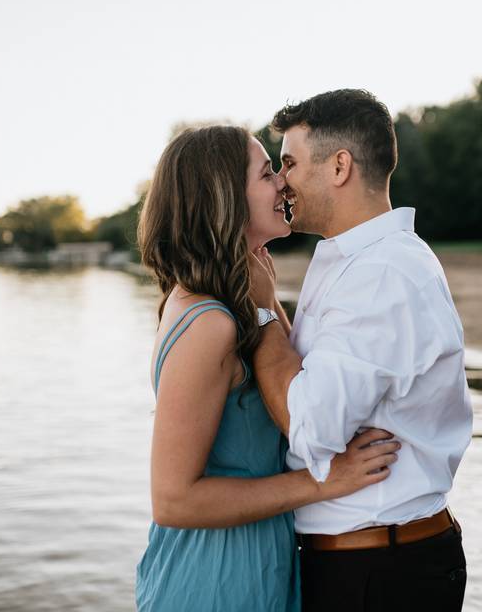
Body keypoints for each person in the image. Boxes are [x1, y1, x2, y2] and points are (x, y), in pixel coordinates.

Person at [134, 125, 401, 612]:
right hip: (214, 581)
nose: (282, 181)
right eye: (265, 174)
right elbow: (173, 500)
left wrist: (265, 298)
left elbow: (293, 383)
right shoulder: (208, 322)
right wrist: (324, 482)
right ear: (227, 200)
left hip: (257, 563)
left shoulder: (240, 296)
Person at [248, 89, 473, 612]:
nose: (281, 181)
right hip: (373, 559)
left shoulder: (380, 274)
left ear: (340, 166)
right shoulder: (356, 259)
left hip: (378, 572)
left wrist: (261, 313)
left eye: (289, 163)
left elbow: (310, 422)